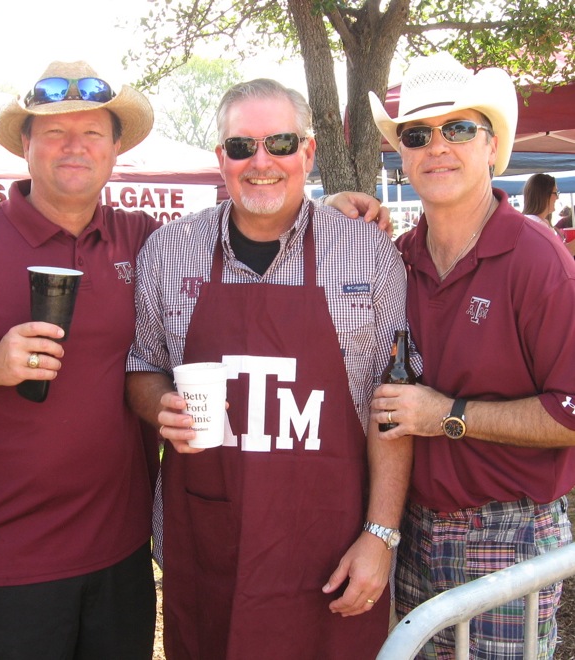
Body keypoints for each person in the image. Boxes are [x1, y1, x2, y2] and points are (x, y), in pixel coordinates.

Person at [0, 61, 387, 658]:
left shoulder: (143, 239)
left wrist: (329, 207)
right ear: (25, 144)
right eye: (54, 132)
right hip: (5, 559)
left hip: (122, 553)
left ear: (115, 147)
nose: (75, 147)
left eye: (92, 133)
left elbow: (256, 212)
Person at [125, 78, 418, 660]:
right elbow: (143, 366)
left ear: (308, 152)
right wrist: (159, 405)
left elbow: (394, 402)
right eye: (242, 147)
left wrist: (380, 537)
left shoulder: (366, 253)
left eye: (281, 143)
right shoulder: (169, 250)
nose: (262, 162)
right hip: (211, 547)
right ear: (221, 159)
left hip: (331, 553)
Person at [362, 51, 575, 658]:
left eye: (458, 128)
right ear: (401, 155)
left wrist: (449, 414)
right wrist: (330, 211)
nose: (438, 146)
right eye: (418, 134)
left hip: (510, 530)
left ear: (490, 146)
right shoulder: (395, 258)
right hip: (409, 526)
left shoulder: (539, 260)